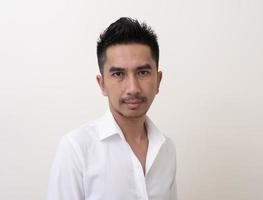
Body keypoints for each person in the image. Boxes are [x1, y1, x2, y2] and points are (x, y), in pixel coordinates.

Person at [47, 17, 177, 200]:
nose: (133, 88)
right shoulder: (76, 149)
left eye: (143, 72)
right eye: (118, 74)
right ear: (102, 84)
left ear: (158, 80)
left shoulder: (166, 149)